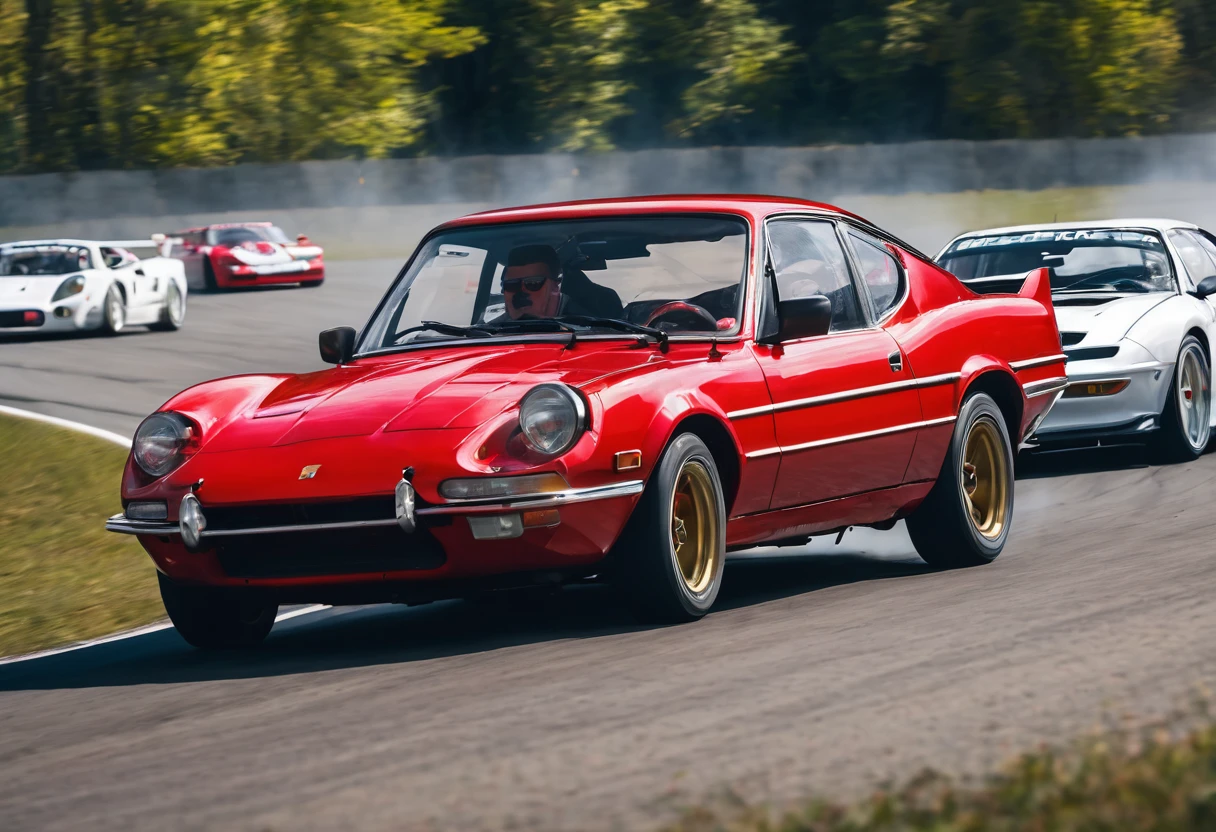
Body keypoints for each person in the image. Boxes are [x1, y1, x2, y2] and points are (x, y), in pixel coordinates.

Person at [500, 244, 564, 320]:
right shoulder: (492, 328)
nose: (521, 292)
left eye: (533, 283)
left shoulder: (578, 322)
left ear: (555, 287)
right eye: (511, 285)